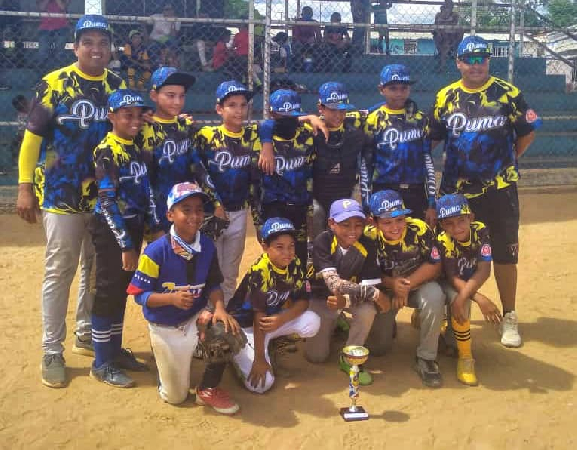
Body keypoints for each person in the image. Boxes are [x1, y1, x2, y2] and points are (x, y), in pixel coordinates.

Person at [16, 15, 125, 388]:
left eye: (103, 43)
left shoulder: (117, 86)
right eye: (88, 42)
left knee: (94, 268)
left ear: (110, 49)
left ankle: (84, 332)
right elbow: (32, 139)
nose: (96, 49)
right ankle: (51, 349)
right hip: (60, 193)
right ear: (75, 46)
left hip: (102, 196)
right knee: (59, 270)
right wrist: (25, 186)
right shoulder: (54, 84)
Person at [428, 35, 540, 348]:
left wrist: (510, 159)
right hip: (456, 192)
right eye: (469, 59)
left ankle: (509, 316)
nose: (476, 65)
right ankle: (446, 314)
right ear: (458, 63)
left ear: (489, 61)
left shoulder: (508, 93)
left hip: (499, 190)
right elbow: (432, 138)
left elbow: (528, 131)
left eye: (482, 59)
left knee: (504, 253)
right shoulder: (446, 96)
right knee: (449, 251)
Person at [127, 182, 241, 413]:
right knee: (176, 397)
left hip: (193, 318)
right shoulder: (155, 251)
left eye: (199, 210)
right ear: (170, 215)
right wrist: (170, 299)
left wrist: (220, 308)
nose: (194, 216)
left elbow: (213, 284)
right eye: (186, 210)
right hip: (165, 326)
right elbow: (139, 296)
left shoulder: (206, 245)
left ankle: (207, 389)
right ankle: (165, 362)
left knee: (225, 331)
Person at [89, 89, 156, 388]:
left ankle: (114, 352)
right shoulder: (107, 150)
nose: (134, 120)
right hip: (112, 231)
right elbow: (106, 202)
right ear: (111, 116)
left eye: (138, 115)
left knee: (120, 291)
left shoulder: (135, 147)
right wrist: (126, 245)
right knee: (107, 292)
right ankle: (101, 362)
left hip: (133, 226)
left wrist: (152, 225)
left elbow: (145, 190)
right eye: (127, 115)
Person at [227, 217, 320, 393]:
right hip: (246, 328)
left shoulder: (294, 263)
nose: (287, 252)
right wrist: (259, 359)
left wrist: (282, 319)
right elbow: (258, 317)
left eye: (291, 246)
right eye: (279, 247)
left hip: (272, 321)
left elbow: (303, 300)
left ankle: (272, 343)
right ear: (265, 247)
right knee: (261, 386)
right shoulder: (260, 271)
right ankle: (237, 352)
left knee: (312, 321)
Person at [364, 190, 445, 388]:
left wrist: (406, 286)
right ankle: (388, 322)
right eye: (387, 222)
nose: (395, 227)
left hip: (417, 285)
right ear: (374, 221)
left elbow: (435, 264)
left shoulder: (419, 228)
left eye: (399, 219)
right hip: (385, 290)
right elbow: (367, 272)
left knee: (435, 295)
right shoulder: (368, 236)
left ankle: (426, 358)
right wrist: (392, 284)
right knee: (378, 348)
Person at [305, 199, 390, 385]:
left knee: (367, 311)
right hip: (321, 298)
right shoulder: (323, 241)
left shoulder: (368, 245)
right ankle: (337, 321)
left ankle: (350, 356)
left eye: (358, 225)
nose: (353, 230)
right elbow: (334, 283)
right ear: (331, 223)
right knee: (316, 356)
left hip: (351, 299)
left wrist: (347, 301)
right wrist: (375, 294)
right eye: (345, 225)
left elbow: (369, 285)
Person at [194, 81, 263, 305]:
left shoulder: (253, 137)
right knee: (208, 265)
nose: (239, 110)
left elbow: (254, 184)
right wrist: (215, 204)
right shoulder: (205, 136)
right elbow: (199, 172)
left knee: (231, 268)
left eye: (243, 105)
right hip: (211, 213)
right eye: (232, 105)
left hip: (239, 212)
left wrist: (257, 221)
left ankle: (226, 311)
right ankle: (207, 311)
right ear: (219, 109)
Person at [138, 66, 221, 235]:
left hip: (185, 208)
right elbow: (144, 181)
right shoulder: (143, 129)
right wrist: (153, 223)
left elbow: (198, 168)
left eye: (181, 96)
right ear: (154, 95)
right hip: (157, 210)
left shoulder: (185, 126)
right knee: (162, 250)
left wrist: (216, 202)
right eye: (170, 95)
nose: (177, 102)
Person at [436, 193, 502, 386]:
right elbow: (451, 277)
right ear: (442, 225)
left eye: (461, 220)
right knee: (458, 299)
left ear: (471, 217)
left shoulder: (480, 231)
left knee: (461, 301)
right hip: (443, 281)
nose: (456, 228)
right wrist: (479, 298)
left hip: (466, 281)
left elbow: (484, 270)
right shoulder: (443, 239)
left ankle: (465, 358)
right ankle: (438, 320)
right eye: (449, 223)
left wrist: (465, 297)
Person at [364, 64, 437, 227]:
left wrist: (432, 203)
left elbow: (427, 161)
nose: (399, 93)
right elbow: (366, 165)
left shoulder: (420, 119)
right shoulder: (372, 120)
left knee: (418, 233)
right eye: (393, 88)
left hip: (415, 190)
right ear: (381, 89)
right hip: (383, 190)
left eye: (404, 88)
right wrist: (366, 205)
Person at [252, 89, 316, 265]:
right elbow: (254, 186)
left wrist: (310, 210)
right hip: (273, 207)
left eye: (292, 116)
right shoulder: (259, 139)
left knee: (299, 255)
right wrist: (258, 222)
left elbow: (310, 177)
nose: (288, 121)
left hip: (300, 205)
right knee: (277, 256)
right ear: (272, 114)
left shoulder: (307, 136)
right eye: (283, 116)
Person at [312, 82, 372, 238]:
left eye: (342, 110)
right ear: (321, 108)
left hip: (345, 193)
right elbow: (276, 120)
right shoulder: (310, 130)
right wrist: (310, 117)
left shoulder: (356, 125)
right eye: (332, 110)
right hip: (317, 194)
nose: (338, 115)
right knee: (316, 214)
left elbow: (382, 108)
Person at [37, 0, 71, 71]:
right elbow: (41, 7)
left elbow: (62, 7)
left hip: (61, 26)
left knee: (60, 52)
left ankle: (60, 71)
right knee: (43, 51)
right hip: (45, 27)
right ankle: (42, 71)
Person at [147, 3, 181, 68]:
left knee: (172, 41)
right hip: (155, 39)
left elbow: (173, 35)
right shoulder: (157, 16)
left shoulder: (176, 19)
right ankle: (158, 65)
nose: (166, 11)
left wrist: (172, 23)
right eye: (165, 9)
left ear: (173, 10)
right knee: (153, 47)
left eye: (168, 9)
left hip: (167, 40)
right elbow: (145, 21)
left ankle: (166, 62)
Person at [433, 0, 463, 72]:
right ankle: (444, 56)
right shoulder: (438, 15)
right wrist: (440, 31)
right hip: (441, 35)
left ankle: (453, 49)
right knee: (439, 37)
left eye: (450, 6)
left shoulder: (455, 15)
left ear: (452, 7)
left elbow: (453, 25)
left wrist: (444, 24)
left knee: (460, 30)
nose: (448, 7)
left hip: (451, 35)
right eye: (446, 5)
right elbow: (435, 25)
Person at [292, 6, 322, 72]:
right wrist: (306, 40)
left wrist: (315, 40)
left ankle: (313, 66)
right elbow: (295, 37)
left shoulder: (314, 22)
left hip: (311, 44)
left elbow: (319, 37)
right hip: (300, 43)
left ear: (311, 15)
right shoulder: (298, 22)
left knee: (315, 49)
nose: (307, 15)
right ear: (302, 14)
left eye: (309, 14)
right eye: (306, 13)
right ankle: (299, 66)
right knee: (297, 45)